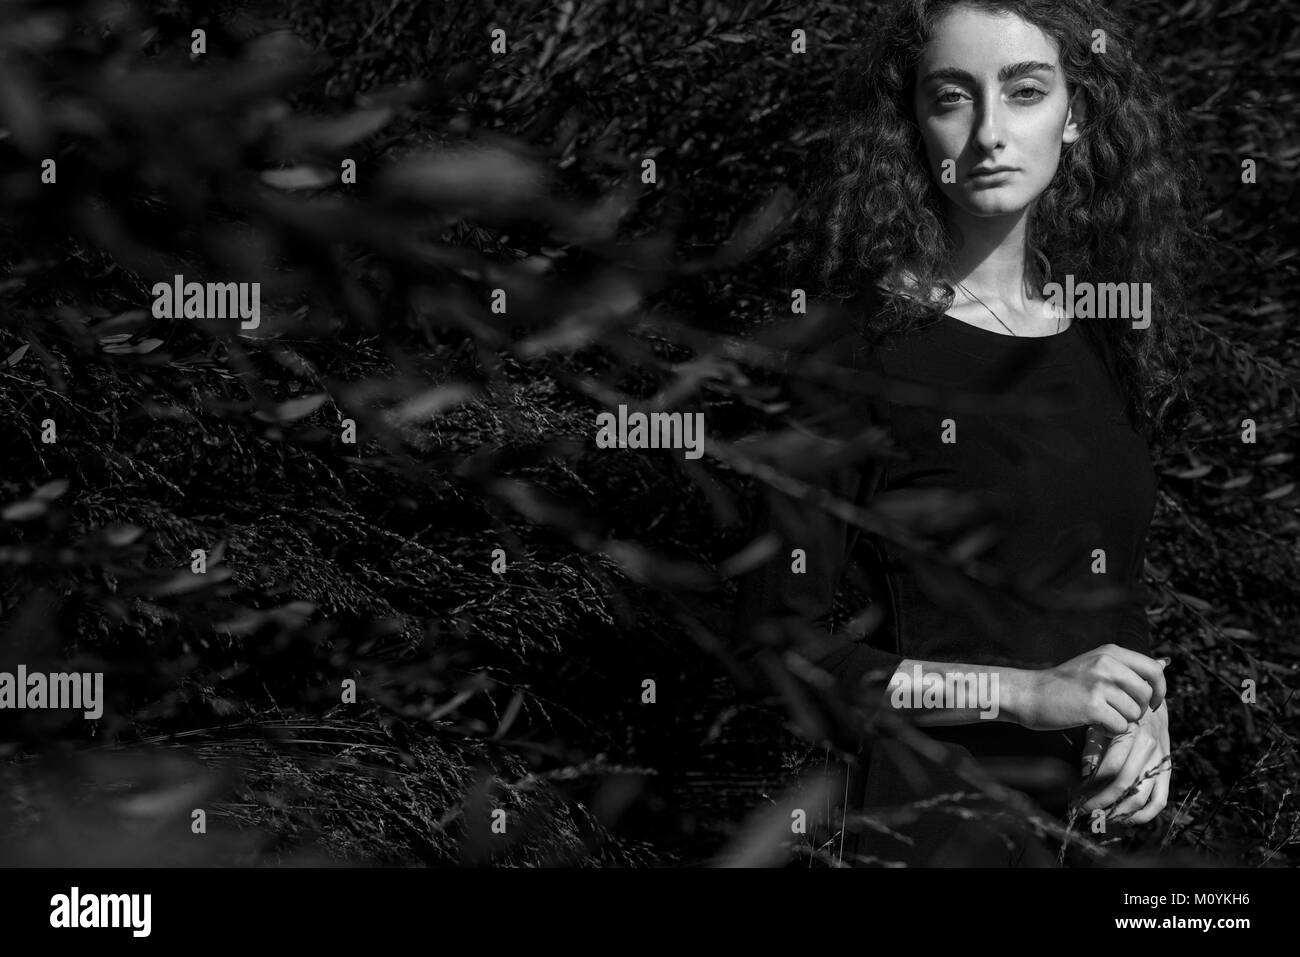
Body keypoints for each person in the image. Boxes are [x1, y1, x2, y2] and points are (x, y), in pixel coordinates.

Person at [732, 0, 1204, 866]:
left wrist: (1142, 709)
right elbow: (781, 648)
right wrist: (1024, 694)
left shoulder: (1101, 332)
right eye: (952, 97)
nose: (989, 130)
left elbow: (1109, 584)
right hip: (938, 829)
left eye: (1025, 91)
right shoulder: (850, 355)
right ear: (912, 124)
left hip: (1110, 834)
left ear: (1078, 116)